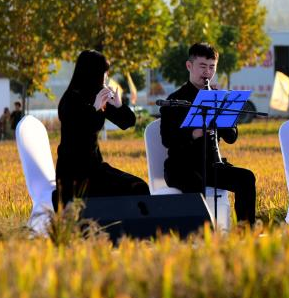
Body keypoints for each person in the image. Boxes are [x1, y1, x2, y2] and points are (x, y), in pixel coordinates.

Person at [159, 43, 257, 224]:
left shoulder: (218, 97)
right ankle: (201, 235)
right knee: (196, 184)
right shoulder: (174, 100)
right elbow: (167, 139)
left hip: (211, 166)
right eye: (202, 66)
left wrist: (223, 119)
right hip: (181, 167)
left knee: (246, 178)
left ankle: (247, 234)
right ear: (190, 66)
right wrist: (194, 133)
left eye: (212, 67)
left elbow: (232, 137)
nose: (207, 72)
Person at [53, 50, 149, 208]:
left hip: (95, 168)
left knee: (139, 186)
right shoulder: (70, 99)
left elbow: (127, 122)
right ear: (92, 72)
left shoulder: (97, 93)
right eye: (104, 72)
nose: (106, 76)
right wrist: (95, 108)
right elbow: (80, 133)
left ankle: (133, 229)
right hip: (74, 173)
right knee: (131, 189)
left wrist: (118, 105)